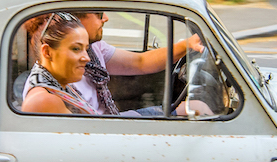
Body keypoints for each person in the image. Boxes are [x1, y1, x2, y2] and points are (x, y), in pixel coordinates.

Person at [69, 11, 206, 116]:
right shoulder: (59, 64)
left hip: (110, 119)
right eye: (98, 14)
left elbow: (141, 62)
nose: (106, 18)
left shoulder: (95, 48)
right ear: (75, 19)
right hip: (103, 128)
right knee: (196, 109)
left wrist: (187, 45)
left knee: (196, 107)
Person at [21, 13, 99, 115]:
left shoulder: (60, 86)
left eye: (86, 50)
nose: (87, 58)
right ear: (47, 52)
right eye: (76, 49)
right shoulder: (44, 101)